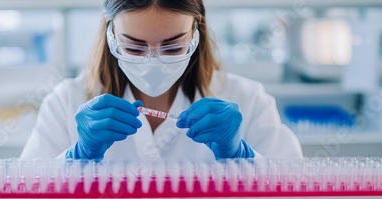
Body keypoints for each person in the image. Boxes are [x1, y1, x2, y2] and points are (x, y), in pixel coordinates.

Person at [20, 0, 302, 160]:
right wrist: (77, 158)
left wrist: (241, 156)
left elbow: (300, 185)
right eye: (134, 46)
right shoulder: (65, 102)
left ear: (196, 29)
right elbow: (23, 188)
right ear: (110, 32)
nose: (152, 63)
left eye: (173, 47)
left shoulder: (248, 99)